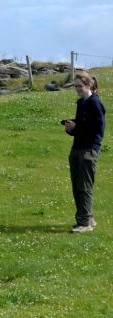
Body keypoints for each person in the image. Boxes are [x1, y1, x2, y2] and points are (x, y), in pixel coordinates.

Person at [63, 71, 106, 233]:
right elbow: (82, 126)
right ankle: (88, 218)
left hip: (88, 149)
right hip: (77, 147)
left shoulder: (95, 103)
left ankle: (84, 224)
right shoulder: (81, 103)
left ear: (89, 85)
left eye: (79, 86)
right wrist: (71, 128)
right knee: (77, 185)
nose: (77, 89)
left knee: (84, 186)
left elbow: (97, 130)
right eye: (75, 86)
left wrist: (77, 127)